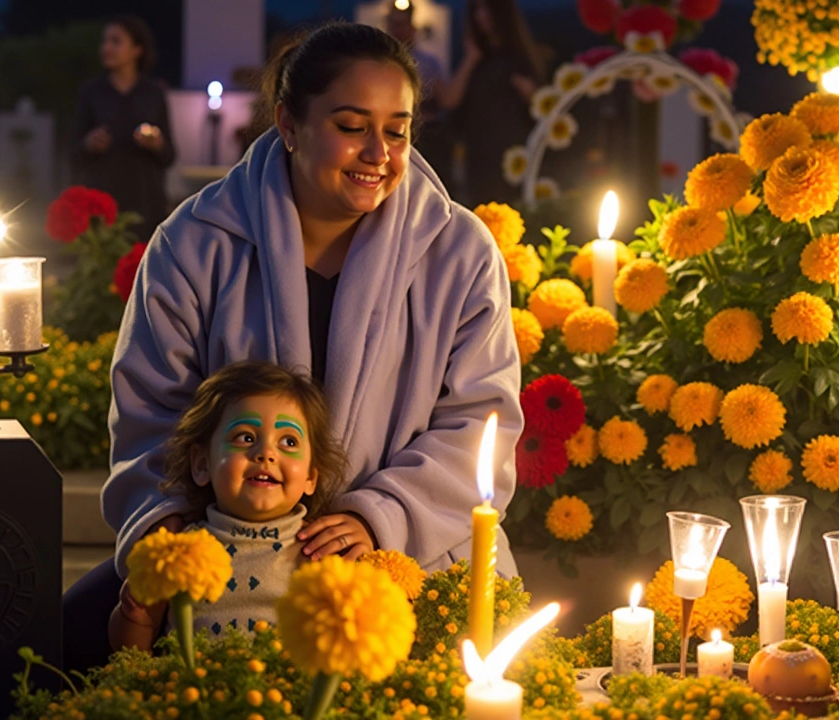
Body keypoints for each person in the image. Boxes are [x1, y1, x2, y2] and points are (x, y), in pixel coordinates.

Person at [62, 22, 522, 672]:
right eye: (352, 124)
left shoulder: (460, 252)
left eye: (397, 129)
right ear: (289, 123)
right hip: (229, 557)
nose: (378, 153)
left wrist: (378, 518)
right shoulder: (194, 243)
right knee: (61, 648)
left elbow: (481, 423)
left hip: (412, 557)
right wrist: (175, 540)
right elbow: (150, 414)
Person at [109, 361, 345, 650]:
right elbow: (133, 647)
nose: (266, 453)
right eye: (245, 437)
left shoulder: (320, 554)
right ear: (201, 464)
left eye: (288, 441)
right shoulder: (180, 551)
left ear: (310, 476)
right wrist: (134, 613)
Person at [71, 15, 175, 238]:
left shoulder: (153, 93)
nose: (106, 47)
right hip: (103, 203)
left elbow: (170, 155)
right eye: (104, 41)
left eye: (116, 41)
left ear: (137, 49)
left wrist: (156, 144)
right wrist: (90, 144)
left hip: (146, 205)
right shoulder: (91, 92)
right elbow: (74, 153)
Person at [438, 0, 543, 204]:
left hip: (513, 152)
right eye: (476, 9)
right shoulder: (474, 57)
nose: (481, 15)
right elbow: (449, 101)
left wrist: (528, 91)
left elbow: (540, 103)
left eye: (486, 8)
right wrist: (471, 58)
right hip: (479, 150)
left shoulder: (518, 56)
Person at [385, 1, 454, 192]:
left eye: (403, 25)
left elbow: (446, 99)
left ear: (413, 28)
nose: (399, 30)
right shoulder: (380, 65)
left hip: (428, 135)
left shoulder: (429, 62)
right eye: (395, 25)